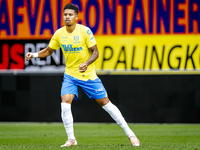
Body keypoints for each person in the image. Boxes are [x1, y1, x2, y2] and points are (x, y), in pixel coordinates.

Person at [25, 3, 140, 147]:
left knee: (106, 104)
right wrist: (34, 55)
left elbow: (96, 52)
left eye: (70, 14)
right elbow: (49, 50)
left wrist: (86, 63)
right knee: (65, 103)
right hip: (70, 75)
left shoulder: (85, 31)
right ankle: (71, 139)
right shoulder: (59, 33)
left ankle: (131, 134)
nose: (67, 17)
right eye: (65, 14)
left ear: (76, 17)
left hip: (88, 75)